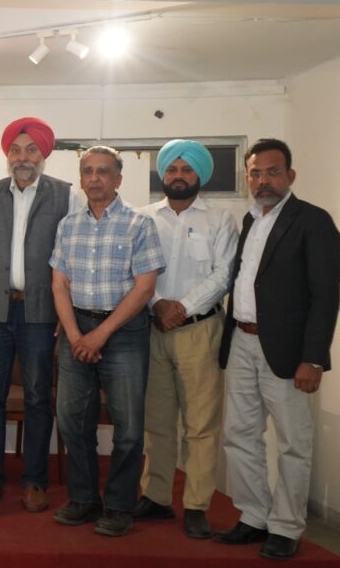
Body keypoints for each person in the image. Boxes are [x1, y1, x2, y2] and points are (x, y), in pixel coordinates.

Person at [213, 138, 339, 560]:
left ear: (290, 175)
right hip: (242, 341)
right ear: (247, 177)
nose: (262, 180)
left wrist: (313, 358)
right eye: (255, 173)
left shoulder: (313, 221)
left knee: (292, 442)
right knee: (239, 435)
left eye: (272, 172)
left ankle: (286, 527)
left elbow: (326, 296)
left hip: (288, 352)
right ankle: (254, 516)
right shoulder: (250, 220)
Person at [0, 117, 81, 512]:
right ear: (7, 155)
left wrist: (68, 309)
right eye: (15, 150)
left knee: (38, 398)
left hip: (41, 312)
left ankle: (35, 481)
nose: (22, 157)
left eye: (30, 150)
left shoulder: (66, 195)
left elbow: (75, 256)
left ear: (43, 154)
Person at [49, 145, 165, 537]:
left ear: (118, 178)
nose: (94, 178)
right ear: (81, 179)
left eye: (103, 171)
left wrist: (100, 334)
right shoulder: (68, 225)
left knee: (128, 427)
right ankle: (84, 499)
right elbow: (59, 284)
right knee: (71, 420)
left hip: (124, 332)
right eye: (88, 171)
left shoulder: (139, 223)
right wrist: (76, 334)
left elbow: (145, 288)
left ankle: (118, 506)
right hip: (77, 328)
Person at [132, 140, 237, 538]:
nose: (178, 176)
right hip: (152, 329)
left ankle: (196, 505)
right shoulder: (143, 218)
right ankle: (156, 497)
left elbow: (224, 274)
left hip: (200, 330)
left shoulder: (220, 220)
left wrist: (182, 308)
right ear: (163, 173)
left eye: (186, 170)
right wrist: (158, 304)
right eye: (172, 169)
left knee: (201, 424)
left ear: (199, 175)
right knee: (156, 420)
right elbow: (135, 269)